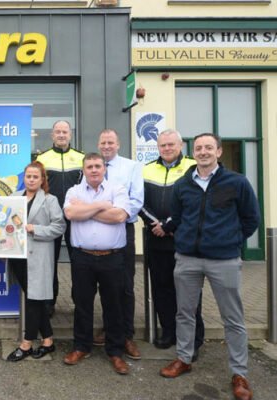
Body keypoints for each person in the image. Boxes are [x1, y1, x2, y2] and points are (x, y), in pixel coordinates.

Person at [159, 133, 260, 400]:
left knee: (233, 318)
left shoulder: (236, 182)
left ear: (219, 151)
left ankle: (239, 373)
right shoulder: (183, 184)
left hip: (224, 260)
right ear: (193, 152)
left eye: (208, 147)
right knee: (185, 313)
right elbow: (177, 217)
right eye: (199, 148)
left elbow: (251, 219)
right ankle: (184, 358)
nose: (203, 152)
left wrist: (231, 241)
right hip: (188, 259)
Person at [62, 153, 131, 375]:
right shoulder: (74, 192)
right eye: (89, 166)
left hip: (112, 257)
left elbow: (119, 216)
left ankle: (115, 351)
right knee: (82, 304)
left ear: (104, 169)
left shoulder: (118, 189)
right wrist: (101, 205)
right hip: (82, 257)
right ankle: (81, 347)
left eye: (97, 166)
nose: (93, 170)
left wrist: (86, 209)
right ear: (84, 170)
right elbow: (70, 213)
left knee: (114, 305)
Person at [139, 129, 205, 357]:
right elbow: (139, 202)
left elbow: (196, 203)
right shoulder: (147, 169)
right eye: (163, 145)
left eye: (171, 144)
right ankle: (169, 331)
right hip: (156, 239)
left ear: (181, 145)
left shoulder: (192, 167)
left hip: (185, 240)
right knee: (161, 288)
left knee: (189, 292)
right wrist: (156, 225)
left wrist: (169, 225)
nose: (167, 148)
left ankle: (193, 340)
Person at [6, 161, 66, 362]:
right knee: (35, 299)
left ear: (42, 180)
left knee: (33, 300)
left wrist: (36, 229)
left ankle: (26, 344)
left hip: (38, 257)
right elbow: (4, 225)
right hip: (18, 257)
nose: (31, 180)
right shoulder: (14, 197)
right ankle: (48, 341)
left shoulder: (50, 200)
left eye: (35, 177)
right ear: (24, 178)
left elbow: (59, 227)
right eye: (28, 176)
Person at [96, 128, 144, 360]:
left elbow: (136, 200)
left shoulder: (131, 167)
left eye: (110, 142)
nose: (107, 146)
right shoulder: (93, 167)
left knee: (124, 284)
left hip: (122, 228)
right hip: (97, 230)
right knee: (106, 283)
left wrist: (115, 216)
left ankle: (126, 335)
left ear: (118, 144)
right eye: (103, 142)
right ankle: (109, 328)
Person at [35, 120, 84, 316]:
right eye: (58, 132)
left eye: (65, 131)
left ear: (70, 134)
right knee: (49, 263)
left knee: (79, 262)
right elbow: (37, 188)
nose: (61, 135)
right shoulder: (42, 158)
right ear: (52, 135)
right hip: (50, 219)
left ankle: (79, 302)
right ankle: (49, 303)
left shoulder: (81, 158)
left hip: (76, 218)